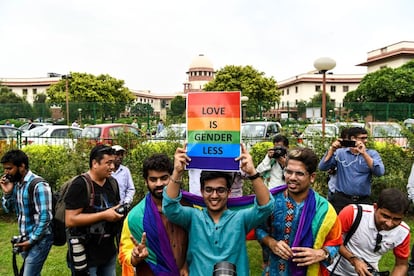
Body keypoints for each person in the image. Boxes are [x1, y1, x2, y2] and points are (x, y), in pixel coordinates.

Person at [162, 144, 275, 275]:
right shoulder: (194, 217)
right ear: (201, 191)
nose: (214, 196)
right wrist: (177, 172)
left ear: (229, 192)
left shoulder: (240, 219)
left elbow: (266, 207)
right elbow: (170, 208)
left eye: (220, 190)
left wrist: (252, 173)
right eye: (209, 190)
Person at [256, 147, 342, 276]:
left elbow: (335, 242)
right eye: (288, 172)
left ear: (312, 177)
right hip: (275, 271)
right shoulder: (272, 202)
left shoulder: (324, 209)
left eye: (299, 173)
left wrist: (321, 253)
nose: (292, 177)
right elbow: (259, 229)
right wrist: (271, 242)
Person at [118, 153, 188, 275]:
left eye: (164, 178)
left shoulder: (188, 206)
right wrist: (136, 256)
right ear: (146, 181)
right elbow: (125, 254)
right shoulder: (135, 218)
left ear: (172, 177)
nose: (159, 183)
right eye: (153, 179)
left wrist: (186, 263)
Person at [65, 145, 124, 276]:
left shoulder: (112, 183)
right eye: (108, 163)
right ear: (95, 163)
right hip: (85, 253)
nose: (113, 167)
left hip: (108, 251)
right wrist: (104, 215)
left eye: (113, 163)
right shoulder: (80, 185)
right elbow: (70, 220)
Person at [329, 188, 410, 276]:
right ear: (375, 207)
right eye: (385, 216)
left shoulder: (403, 232)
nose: (389, 224)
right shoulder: (353, 213)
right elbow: (332, 240)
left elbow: (401, 265)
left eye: (397, 219)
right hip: (335, 270)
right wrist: (354, 260)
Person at [0, 149, 53, 276]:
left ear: (22, 166)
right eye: (5, 169)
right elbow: (10, 209)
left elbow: (45, 216)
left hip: (40, 239)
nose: (6, 172)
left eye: (9, 168)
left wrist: (31, 241)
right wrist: (7, 193)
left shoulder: (39, 185)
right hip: (25, 238)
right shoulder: (17, 184)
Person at [319, 127, 385, 213]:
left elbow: (379, 172)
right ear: (353, 139)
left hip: (362, 200)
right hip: (342, 200)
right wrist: (332, 150)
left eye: (366, 138)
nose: (365, 141)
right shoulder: (340, 153)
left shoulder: (372, 154)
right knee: (340, 225)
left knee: (361, 225)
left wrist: (364, 153)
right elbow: (322, 167)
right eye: (362, 138)